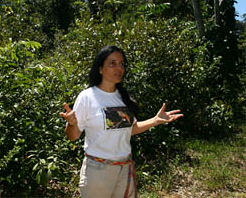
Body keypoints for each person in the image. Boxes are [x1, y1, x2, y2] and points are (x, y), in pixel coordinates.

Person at [60, 45, 183, 198]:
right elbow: (73, 136)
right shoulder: (87, 97)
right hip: (98, 171)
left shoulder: (123, 97)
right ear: (100, 69)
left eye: (122, 64)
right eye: (112, 63)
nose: (118, 68)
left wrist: (155, 120)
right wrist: (72, 124)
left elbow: (131, 129)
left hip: (124, 168)